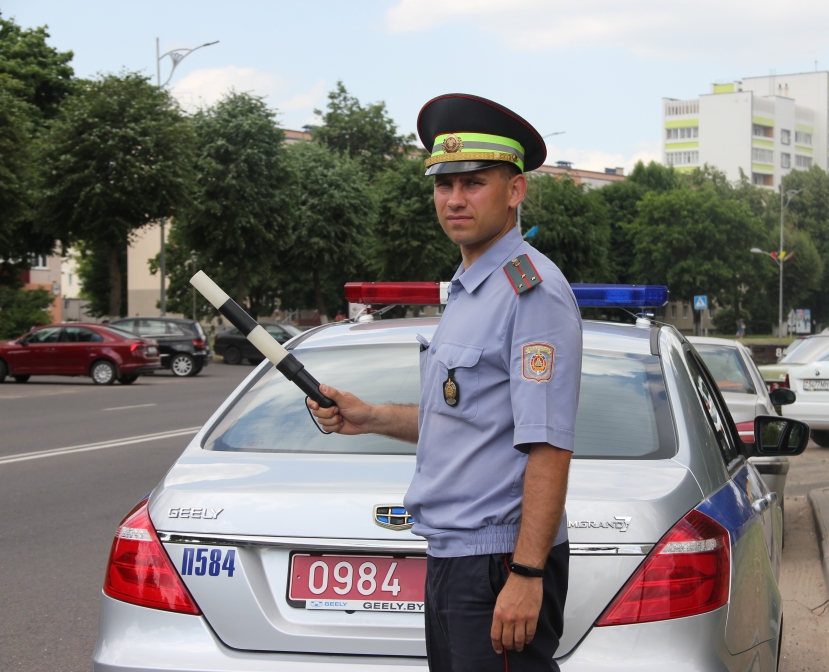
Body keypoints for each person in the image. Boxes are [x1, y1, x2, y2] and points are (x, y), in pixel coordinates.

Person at [309, 93, 582, 672]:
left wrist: (527, 576)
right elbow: (466, 418)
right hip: (452, 556)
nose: (454, 199)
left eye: (474, 182)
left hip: (499, 562)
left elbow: (549, 444)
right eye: (443, 184)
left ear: (515, 191)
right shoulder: (468, 287)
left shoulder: (531, 291)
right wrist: (369, 416)